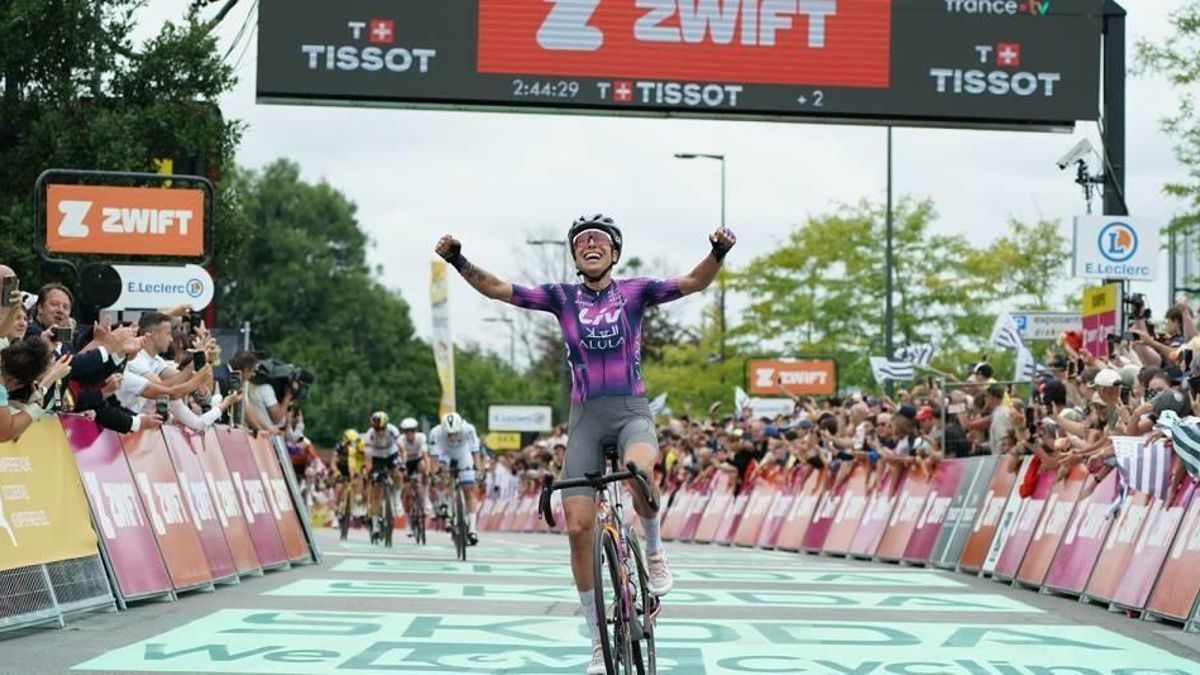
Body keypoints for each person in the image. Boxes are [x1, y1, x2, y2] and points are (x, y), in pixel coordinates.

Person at [436, 213, 734, 673]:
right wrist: (459, 260)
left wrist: (718, 252)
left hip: (631, 412)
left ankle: (653, 551)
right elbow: (499, 289)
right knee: (577, 529)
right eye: (582, 242)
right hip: (585, 420)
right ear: (575, 254)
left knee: (638, 473)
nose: (590, 245)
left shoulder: (636, 291)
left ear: (614, 252)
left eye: (600, 240)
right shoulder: (561, 298)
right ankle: (597, 642)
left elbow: (695, 281)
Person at [428, 412, 482, 545]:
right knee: (443, 475)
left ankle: (472, 529)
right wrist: (435, 475)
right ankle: (444, 502)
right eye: (449, 434)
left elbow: (475, 452)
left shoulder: (468, 429)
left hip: (463, 454)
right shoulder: (436, 433)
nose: (452, 436)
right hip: (444, 454)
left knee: (469, 489)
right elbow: (434, 459)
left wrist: (479, 470)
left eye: (455, 433)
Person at [362, 410, 403, 542]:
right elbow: (367, 458)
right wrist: (370, 472)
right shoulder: (369, 436)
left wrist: (403, 462)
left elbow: (402, 449)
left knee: (397, 473)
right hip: (377, 458)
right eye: (377, 429)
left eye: (382, 428)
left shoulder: (393, 431)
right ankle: (375, 526)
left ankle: (397, 499)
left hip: (391, 454)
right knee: (376, 491)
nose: (379, 432)